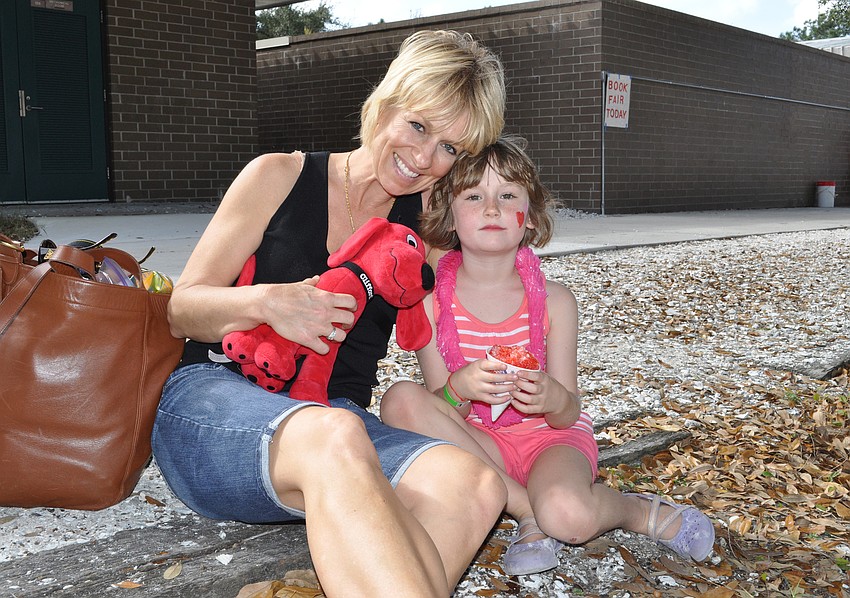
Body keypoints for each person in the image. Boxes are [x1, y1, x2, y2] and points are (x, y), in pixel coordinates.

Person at [151, 30, 508, 597]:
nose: (424, 159)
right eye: (419, 126)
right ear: (386, 102)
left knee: (475, 486)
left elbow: (449, 364)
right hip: (214, 403)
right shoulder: (277, 175)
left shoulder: (425, 234)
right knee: (335, 433)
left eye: (450, 148)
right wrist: (266, 302)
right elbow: (179, 310)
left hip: (336, 428)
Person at [381, 136, 715, 577]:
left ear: (531, 217)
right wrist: (459, 387)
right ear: (448, 214)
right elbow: (440, 412)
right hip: (478, 444)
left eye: (507, 195)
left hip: (549, 441)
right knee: (399, 400)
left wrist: (551, 397)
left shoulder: (555, 302)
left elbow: (568, 411)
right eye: (474, 196)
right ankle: (525, 511)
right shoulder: (430, 306)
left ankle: (633, 511)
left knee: (570, 519)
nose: (492, 208)